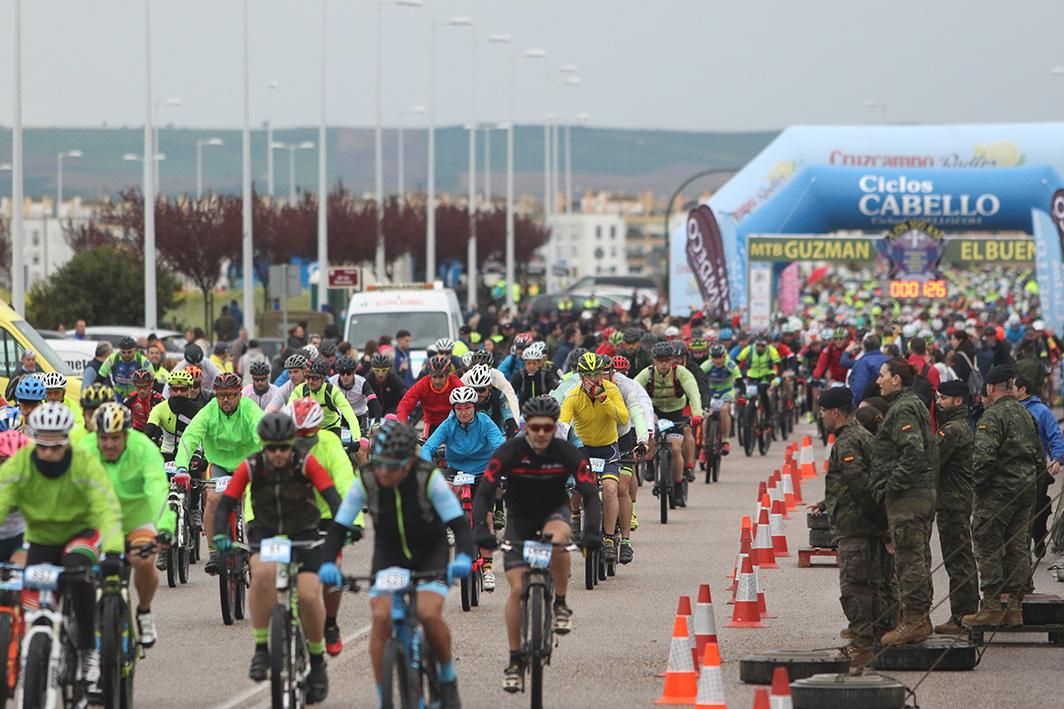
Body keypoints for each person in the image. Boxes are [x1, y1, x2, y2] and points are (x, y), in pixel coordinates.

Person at [318, 421, 472, 709]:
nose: (384, 473)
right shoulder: (367, 478)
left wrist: (463, 557)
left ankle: (447, 677)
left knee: (428, 613)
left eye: (393, 466)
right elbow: (339, 526)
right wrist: (328, 563)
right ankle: (383, 695)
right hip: (389, 554)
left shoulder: (428, 478)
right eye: (380, 465)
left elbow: (460, 526)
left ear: (409, 462)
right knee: (381, 618)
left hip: (430, 552)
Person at [472, 396, 602, 693]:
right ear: (525, 427)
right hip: (520, 519)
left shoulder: (567, 451)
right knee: (517, 590)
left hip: (553, 512)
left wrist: (593, 532)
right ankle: (515, 660)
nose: (542, 434)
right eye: (535, 428)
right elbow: (484, 493)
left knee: (558, 540)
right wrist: (481, 530)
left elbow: (590, 495)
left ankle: (560, 603)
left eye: (548, 428)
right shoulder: (509, 451)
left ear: (555, 427)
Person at [213, 412, 341, 703]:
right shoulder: (251, 465)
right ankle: (261, 650)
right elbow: (227, 504)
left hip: (304, 530)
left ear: (292, 444)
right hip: (266, 531)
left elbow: (332, 497)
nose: (278, 453)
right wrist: (220, 535)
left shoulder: (305, 462)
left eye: (284, 446)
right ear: (264, 446)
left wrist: (340, 529)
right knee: (262, 575)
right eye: (272, 448)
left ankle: (318, 662)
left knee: (309, 596)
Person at [0, 403, 123, 685]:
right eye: (43, 446)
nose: (49, 453)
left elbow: (106, 508)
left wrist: (114, 550)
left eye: (56, 446)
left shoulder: (84, 463)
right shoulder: (21, 463)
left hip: (82, 534)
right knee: (33, 601)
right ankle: (36, 647)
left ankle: (88, 650)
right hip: (42, 539)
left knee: (78, 573)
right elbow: (2, 499)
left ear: (67, 441)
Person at [79, 402, 174, 648]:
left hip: (136, 519)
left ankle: (143, 611)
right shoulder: (84, 450)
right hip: (98, 522)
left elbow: (157, 490)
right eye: (103, 438)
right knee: (79, 565)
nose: (109, 444)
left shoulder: (143, 448)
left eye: (115, 438)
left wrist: (165, 528)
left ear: (126, 435)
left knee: (143, 561)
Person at [962, 365, 1043, 628]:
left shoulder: (992, 417)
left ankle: (993, 604)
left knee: (987, 545)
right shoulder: (1025, 413)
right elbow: (1038, 455)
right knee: (1018, 546)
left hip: (997, 492)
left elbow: (983, 459)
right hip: (1025, 489)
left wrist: (979, 488)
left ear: (990, 388)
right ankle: (1016, 607)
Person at [816, 386, 884, 673]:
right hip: (863, 523)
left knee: (854, 586)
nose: (821, 418)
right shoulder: (860, 435)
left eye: (822, 412)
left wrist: (875, 520)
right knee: (872, 582)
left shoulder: (847, 441)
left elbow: (860, 485)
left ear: (835, 412)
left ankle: (863, 645)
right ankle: (873, 639)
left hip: (857, 525)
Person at [871, 358, 938, 646]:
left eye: (882, 375)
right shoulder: (910, 404)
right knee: (917, 557)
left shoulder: (904, 408)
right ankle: (918, 618)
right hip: (917, 493)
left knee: (909, 559)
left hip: (909, 496)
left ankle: (913, 621)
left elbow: (912, 452)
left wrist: (890, 486)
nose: (878, 381)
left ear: (896, 379)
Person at [285, 398, 357, 657]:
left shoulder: (330, 443)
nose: (301, 439)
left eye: (307, 433)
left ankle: (330, 623)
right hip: (290, 518)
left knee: (331, 574)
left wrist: (353, 522)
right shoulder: (279, 445)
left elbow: (345, 481)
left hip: (326, 516)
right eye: (296, 433)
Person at [175, 372, 265, 574]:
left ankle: (253, 546)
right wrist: (181, 467)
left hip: (247, 464)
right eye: (221, 394)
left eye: (231, 395)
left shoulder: (249, 409)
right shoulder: (208, 411)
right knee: (214, 499)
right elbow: (189, 438)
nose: (225, 399)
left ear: (240, 394)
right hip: (220, 465)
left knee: (250, 499)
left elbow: (262, 433)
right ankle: (214, 550)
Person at [421, 386, 505, 589]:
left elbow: (499, 444)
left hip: (481, 471)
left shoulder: (485, 422)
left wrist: (502, 466)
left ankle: (487, 568)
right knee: (441, 499)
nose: (464, 411)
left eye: (468, 407)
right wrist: (424, 469)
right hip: (456, 470)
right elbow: (429, 447)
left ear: (474, 407)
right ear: (454, 409)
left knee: (485, 517)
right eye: (459, 408)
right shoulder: (448, 424)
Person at [558, 352, 629, 563]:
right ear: (580, 377)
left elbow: (623, 417)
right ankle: (575, 514)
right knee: (579, 485)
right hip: (584, 448)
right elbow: (562, 426)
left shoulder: (611, 390)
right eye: (587, 376)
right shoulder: (573, 395)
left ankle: (608, 538)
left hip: (608, 448)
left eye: (597, 374)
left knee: (610, 489)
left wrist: (603, 398)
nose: (593, 380)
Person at [931, 379, 979, 634]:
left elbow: (931, 459)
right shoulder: (960, 425)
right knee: (960, 558)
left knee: (958, 560)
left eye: (943, 399)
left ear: (957, 401)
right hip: (956, 499)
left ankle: (963, 616)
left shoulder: (951, 430)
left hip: (953, 502)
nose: (938, 403)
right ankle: (966, 613)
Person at [634, 341, 703, 497]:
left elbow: (694, 394)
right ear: (654, 361)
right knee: (649, 431)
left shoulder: (682, 373)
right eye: (660, 361)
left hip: (676, 411)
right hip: (655, 410)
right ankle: (650, 462)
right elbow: (633, 390)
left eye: (667, 360)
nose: (664, 364)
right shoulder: (647, 373)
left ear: (673, 360)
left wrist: (697, 413)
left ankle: (678, 486)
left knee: (676, 448)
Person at [1014, 374, 1064, 562]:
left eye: (1013, 386)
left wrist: (1057, 458)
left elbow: (1054, 436)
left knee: (1040, 508)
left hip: (1037, 470)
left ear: (1022, 389)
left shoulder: (1041, 411)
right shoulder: (1010, 410)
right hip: (1015, 473)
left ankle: (1039, 536)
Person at [289, 357, 361, 440]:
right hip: (310, 429)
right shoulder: (300, 390)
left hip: (331, 428)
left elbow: (350, 415)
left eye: (315, 378)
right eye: (307, 377)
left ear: (323, 379)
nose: (310, 381)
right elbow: (289, 412)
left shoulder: (332, 391)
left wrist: (356, 438)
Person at [144, 370, 204, 462]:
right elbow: (148, 432)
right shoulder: (159, 408)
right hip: (168, 452)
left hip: (191, 452)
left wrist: (204, 458)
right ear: (169, 390)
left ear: (189, 390)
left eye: (183, 389)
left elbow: (206, 437)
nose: (179, 393)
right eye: (175, 389)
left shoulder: (198, 410)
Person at [397, 355, 464, 437]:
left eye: (441, 377)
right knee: (427, 446)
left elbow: (468, 404)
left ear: (447, 375)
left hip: (452, 422)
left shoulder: (456, 384)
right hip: (431, 423)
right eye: (434, 377)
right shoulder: (423, 384)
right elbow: (405, 405)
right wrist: (402, 426)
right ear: (430, 375)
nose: (437, 381)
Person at [701, 344, 741, 455]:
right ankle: (704, 444)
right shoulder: (706, 365)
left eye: (720, 357)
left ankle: (725, 441)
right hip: (711, 392)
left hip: (726, 392)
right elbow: (697, 378)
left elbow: (739, 378)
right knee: (706, 414)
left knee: (724, 409)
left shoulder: (730, 365)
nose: (717, 361)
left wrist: (742, 391)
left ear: (724, 356)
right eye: (714, 358)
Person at [330, 355, 383, 431]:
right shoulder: (331, 382)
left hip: (359, 416)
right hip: (340, 417)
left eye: (348, 373)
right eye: (342, 373)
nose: (345, 376)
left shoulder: (362, 383)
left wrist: (377, 422)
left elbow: (375, 403)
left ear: (354, 372)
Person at [510, 342, 560, 408]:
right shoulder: (519, 375)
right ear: (524, 363)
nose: (531, 366)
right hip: (524, 411)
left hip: (544, 410)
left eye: (534, 363)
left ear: (539, 363)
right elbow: (510, 392)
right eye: (529, 363)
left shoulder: (546, 375)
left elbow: (556, 390)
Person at [844, 334, 888, 406]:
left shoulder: (864, 362)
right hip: (886, 402)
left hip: (869, 405)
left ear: (864, 347)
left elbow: (859, 389)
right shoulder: (887, 359)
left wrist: (854, 407)